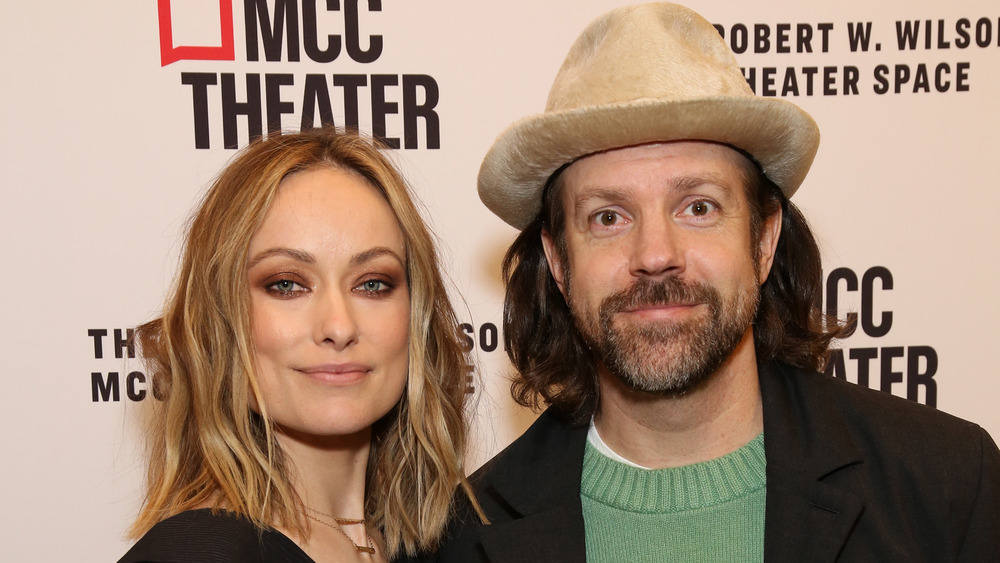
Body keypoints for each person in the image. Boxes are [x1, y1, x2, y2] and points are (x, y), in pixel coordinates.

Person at [432, 3, 1000, 562]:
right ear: (558, 262)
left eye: (698, 207)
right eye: (608, 217)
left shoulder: (947, 487)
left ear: (763, 240)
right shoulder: (463, 538)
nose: (655, 255)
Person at [119, 128, 478, 562]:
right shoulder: (199, 554)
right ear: (218, 321)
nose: (339, 326)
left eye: (373, 283)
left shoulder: (438, 544)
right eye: (286, 284)